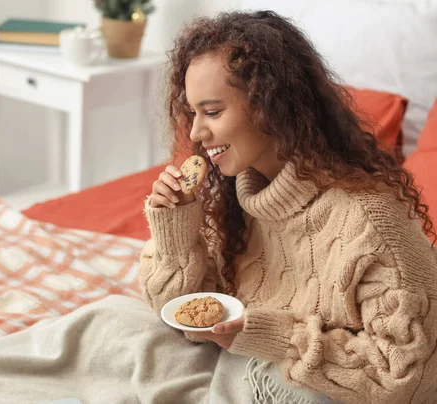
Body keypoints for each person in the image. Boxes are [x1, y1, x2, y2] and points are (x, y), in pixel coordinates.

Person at [138, 10, 437, 404]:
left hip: (309, 387)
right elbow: (178, 312)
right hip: (240, 365)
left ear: (270, 106)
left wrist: (274, 337)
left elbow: (408, 376)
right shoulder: (227, 196)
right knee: (110, 322)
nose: (195, 132)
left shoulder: (369, 220)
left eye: (211, 112)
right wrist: (175, 228)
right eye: (192, 113)